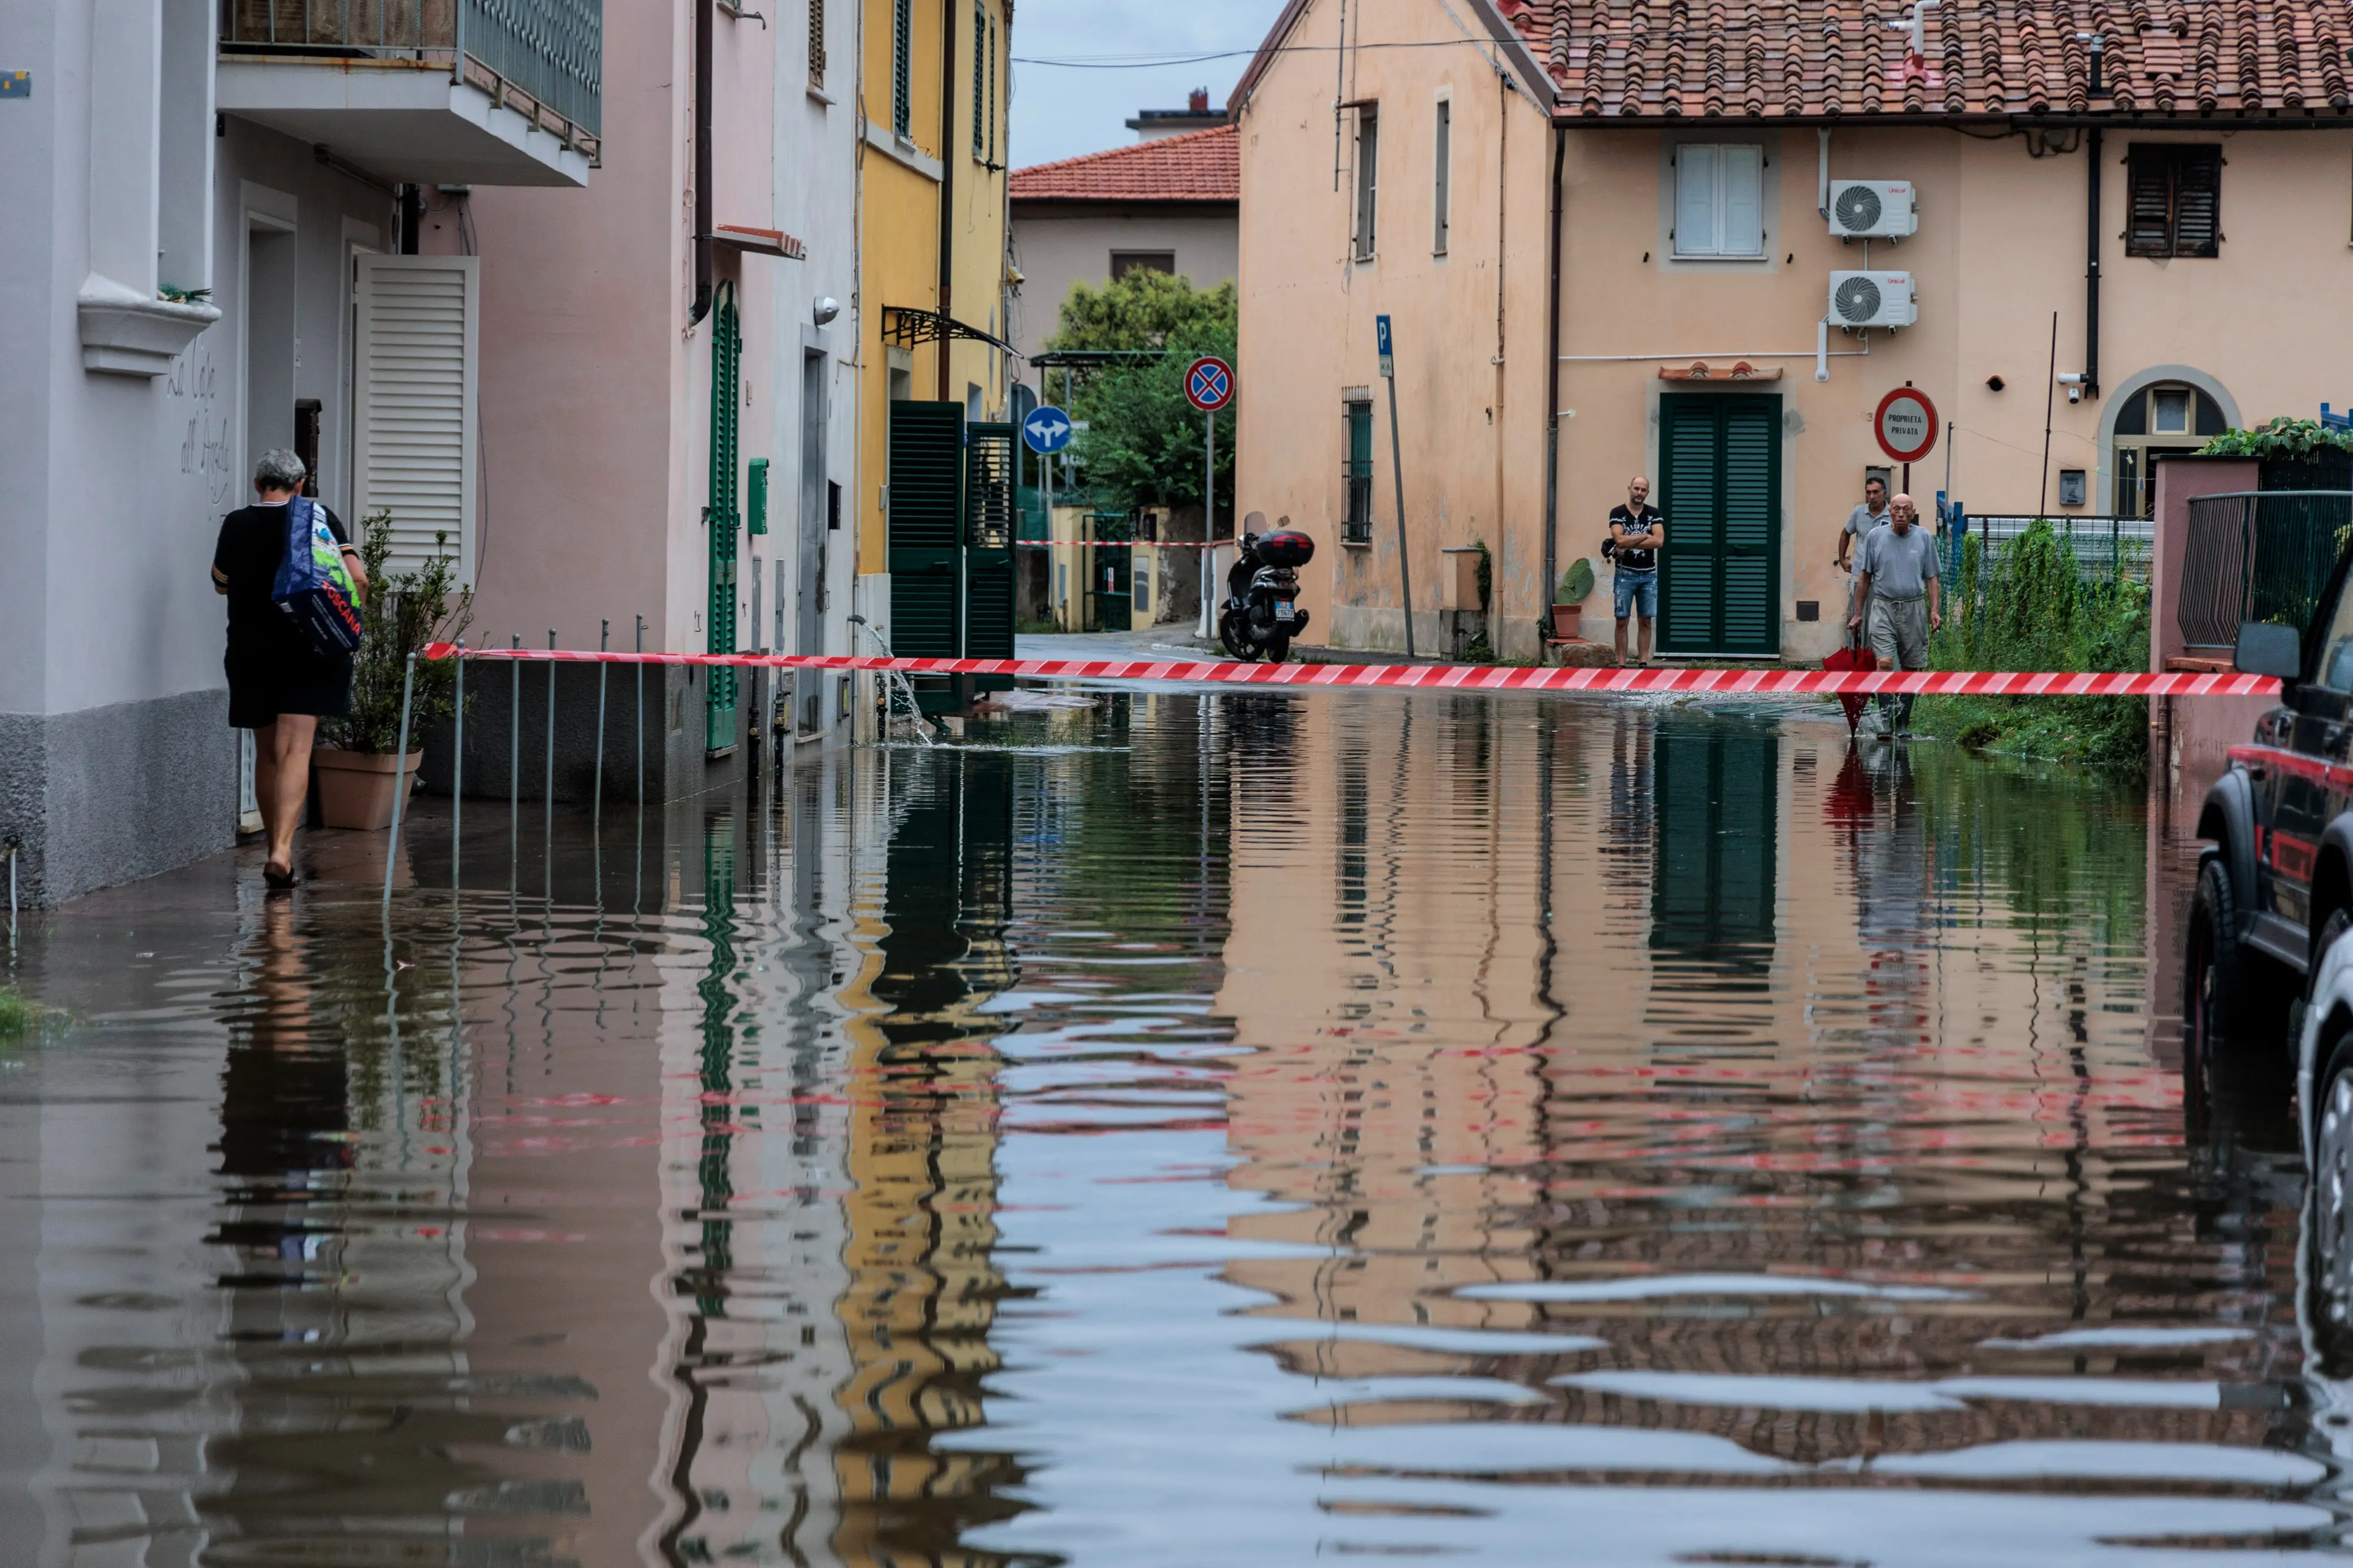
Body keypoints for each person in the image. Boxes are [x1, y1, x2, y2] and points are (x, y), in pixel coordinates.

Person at [212, 450, 368, 890]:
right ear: (300, 485)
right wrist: (347, 622)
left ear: (258, 483)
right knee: (297, 749)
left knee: (267, 753)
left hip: (250, 650)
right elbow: (357, 578)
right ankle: (283, 850)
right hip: (310, 647)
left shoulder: (236, 523)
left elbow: (220, 582)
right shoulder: (318, 517)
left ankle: (271, 851)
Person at [1848, 492, 1941, 740]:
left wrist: (1934, 610)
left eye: (1906, 510)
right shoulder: (1876, 537)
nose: (1901, 514)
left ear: (1913, 513)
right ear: (1890, 512)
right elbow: (1865, 577)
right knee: (1885, 663)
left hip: (1913, 608)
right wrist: (1858, 614)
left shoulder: (1923, 537)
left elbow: (1932, 576)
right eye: (1897, 509)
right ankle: (1886, 722)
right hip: (1883, 607)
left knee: (1911, 668)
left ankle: (1903, 725)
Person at [1608, 476, 1665, 666]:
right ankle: (1621, 664)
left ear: (1647, 493)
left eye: (1643, 490)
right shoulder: (1618, 513)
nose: (1639, 493)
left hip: (1649, 575)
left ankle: (1643, 664)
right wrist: (1644, 536)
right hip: (1625, 575)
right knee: (1622, 621)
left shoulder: (1653, 513)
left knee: (1646, 621)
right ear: (1629, 488)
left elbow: (1659, 541)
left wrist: (1630, 539)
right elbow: (1619, 540)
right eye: (1636, 489)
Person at [1835, 475, 1892, 628]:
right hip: (1860, 573)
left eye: (1875, 492)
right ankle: (1855, 651)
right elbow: (1845, 533)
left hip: (1883, 577)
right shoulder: (1859, 513)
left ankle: (1876, 652)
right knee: (1855, 618)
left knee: (1880, 620)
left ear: (1884, 493)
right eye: (1868, 493)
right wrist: (1842, 559)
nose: (1871, 497)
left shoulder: (1893, 514)